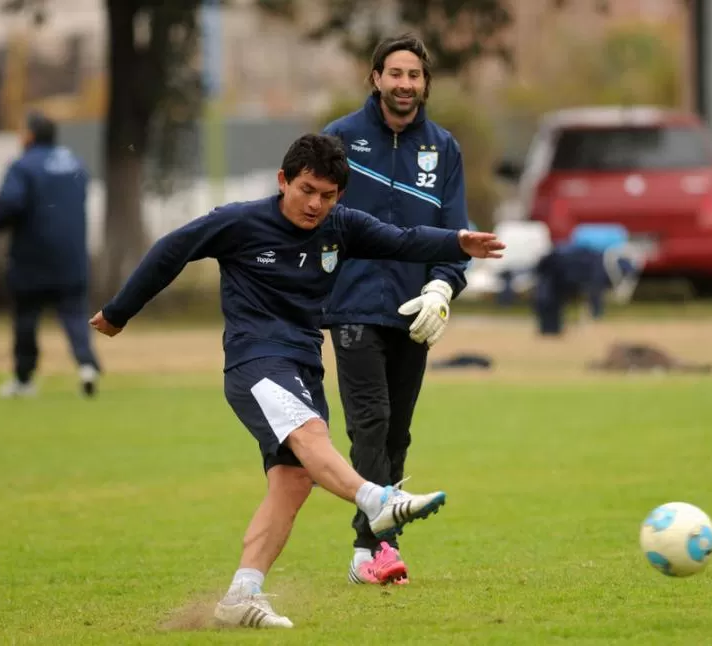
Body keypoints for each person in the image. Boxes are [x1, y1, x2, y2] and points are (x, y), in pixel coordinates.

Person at [87, 134, 504, 629]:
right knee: (312, 436)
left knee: (293, 480)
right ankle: (379, 500)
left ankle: (241, 595)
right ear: (283, 181)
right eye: (307, 190)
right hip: (256, 361)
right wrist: (118, 312)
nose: (315, 204)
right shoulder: (239, 222)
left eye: (328, 196)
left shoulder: (340, 227)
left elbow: (403, 239)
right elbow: (171, 250)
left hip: (304, 363)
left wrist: (458, 242)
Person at [321, 34, 470, 586]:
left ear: (425, 83)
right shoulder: (339, 138)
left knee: (397, 434)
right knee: (370, 422)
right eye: (395, 74)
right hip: (352, 306)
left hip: (414, 312)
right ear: (375, 78)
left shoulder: (444, 148)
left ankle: (371, 547)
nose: (404, 84)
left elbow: (456, 235)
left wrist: (441, 290)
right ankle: (374, 549)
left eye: (414, 75)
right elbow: (309, 215)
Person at [0, 111, 101, 398]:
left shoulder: (23, 166)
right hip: (72, 257)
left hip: (32, 258)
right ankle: (87, 366)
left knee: (26, 318)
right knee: (75, 315)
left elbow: (9, 204)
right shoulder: (75, 162)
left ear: (31, 135)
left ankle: (24, 380)